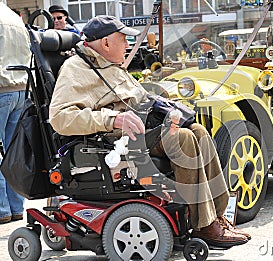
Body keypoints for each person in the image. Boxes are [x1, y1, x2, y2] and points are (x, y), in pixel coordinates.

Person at [49, 15, 250, 248]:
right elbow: (60, 118)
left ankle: (217, 215)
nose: (128, 45)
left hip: (141, 129)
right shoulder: (76, 68)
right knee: (182, 138)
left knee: (198, 131)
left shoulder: (109, 64)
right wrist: (112, 119)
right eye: (123, 40)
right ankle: (203, 225)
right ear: (105, 43)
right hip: (111, 141)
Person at [0, 2, 30, 224]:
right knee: (13, 154)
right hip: (20, 89)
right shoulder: (13, 17)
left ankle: (2, 210)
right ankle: (16, 207)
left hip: (1, 89)